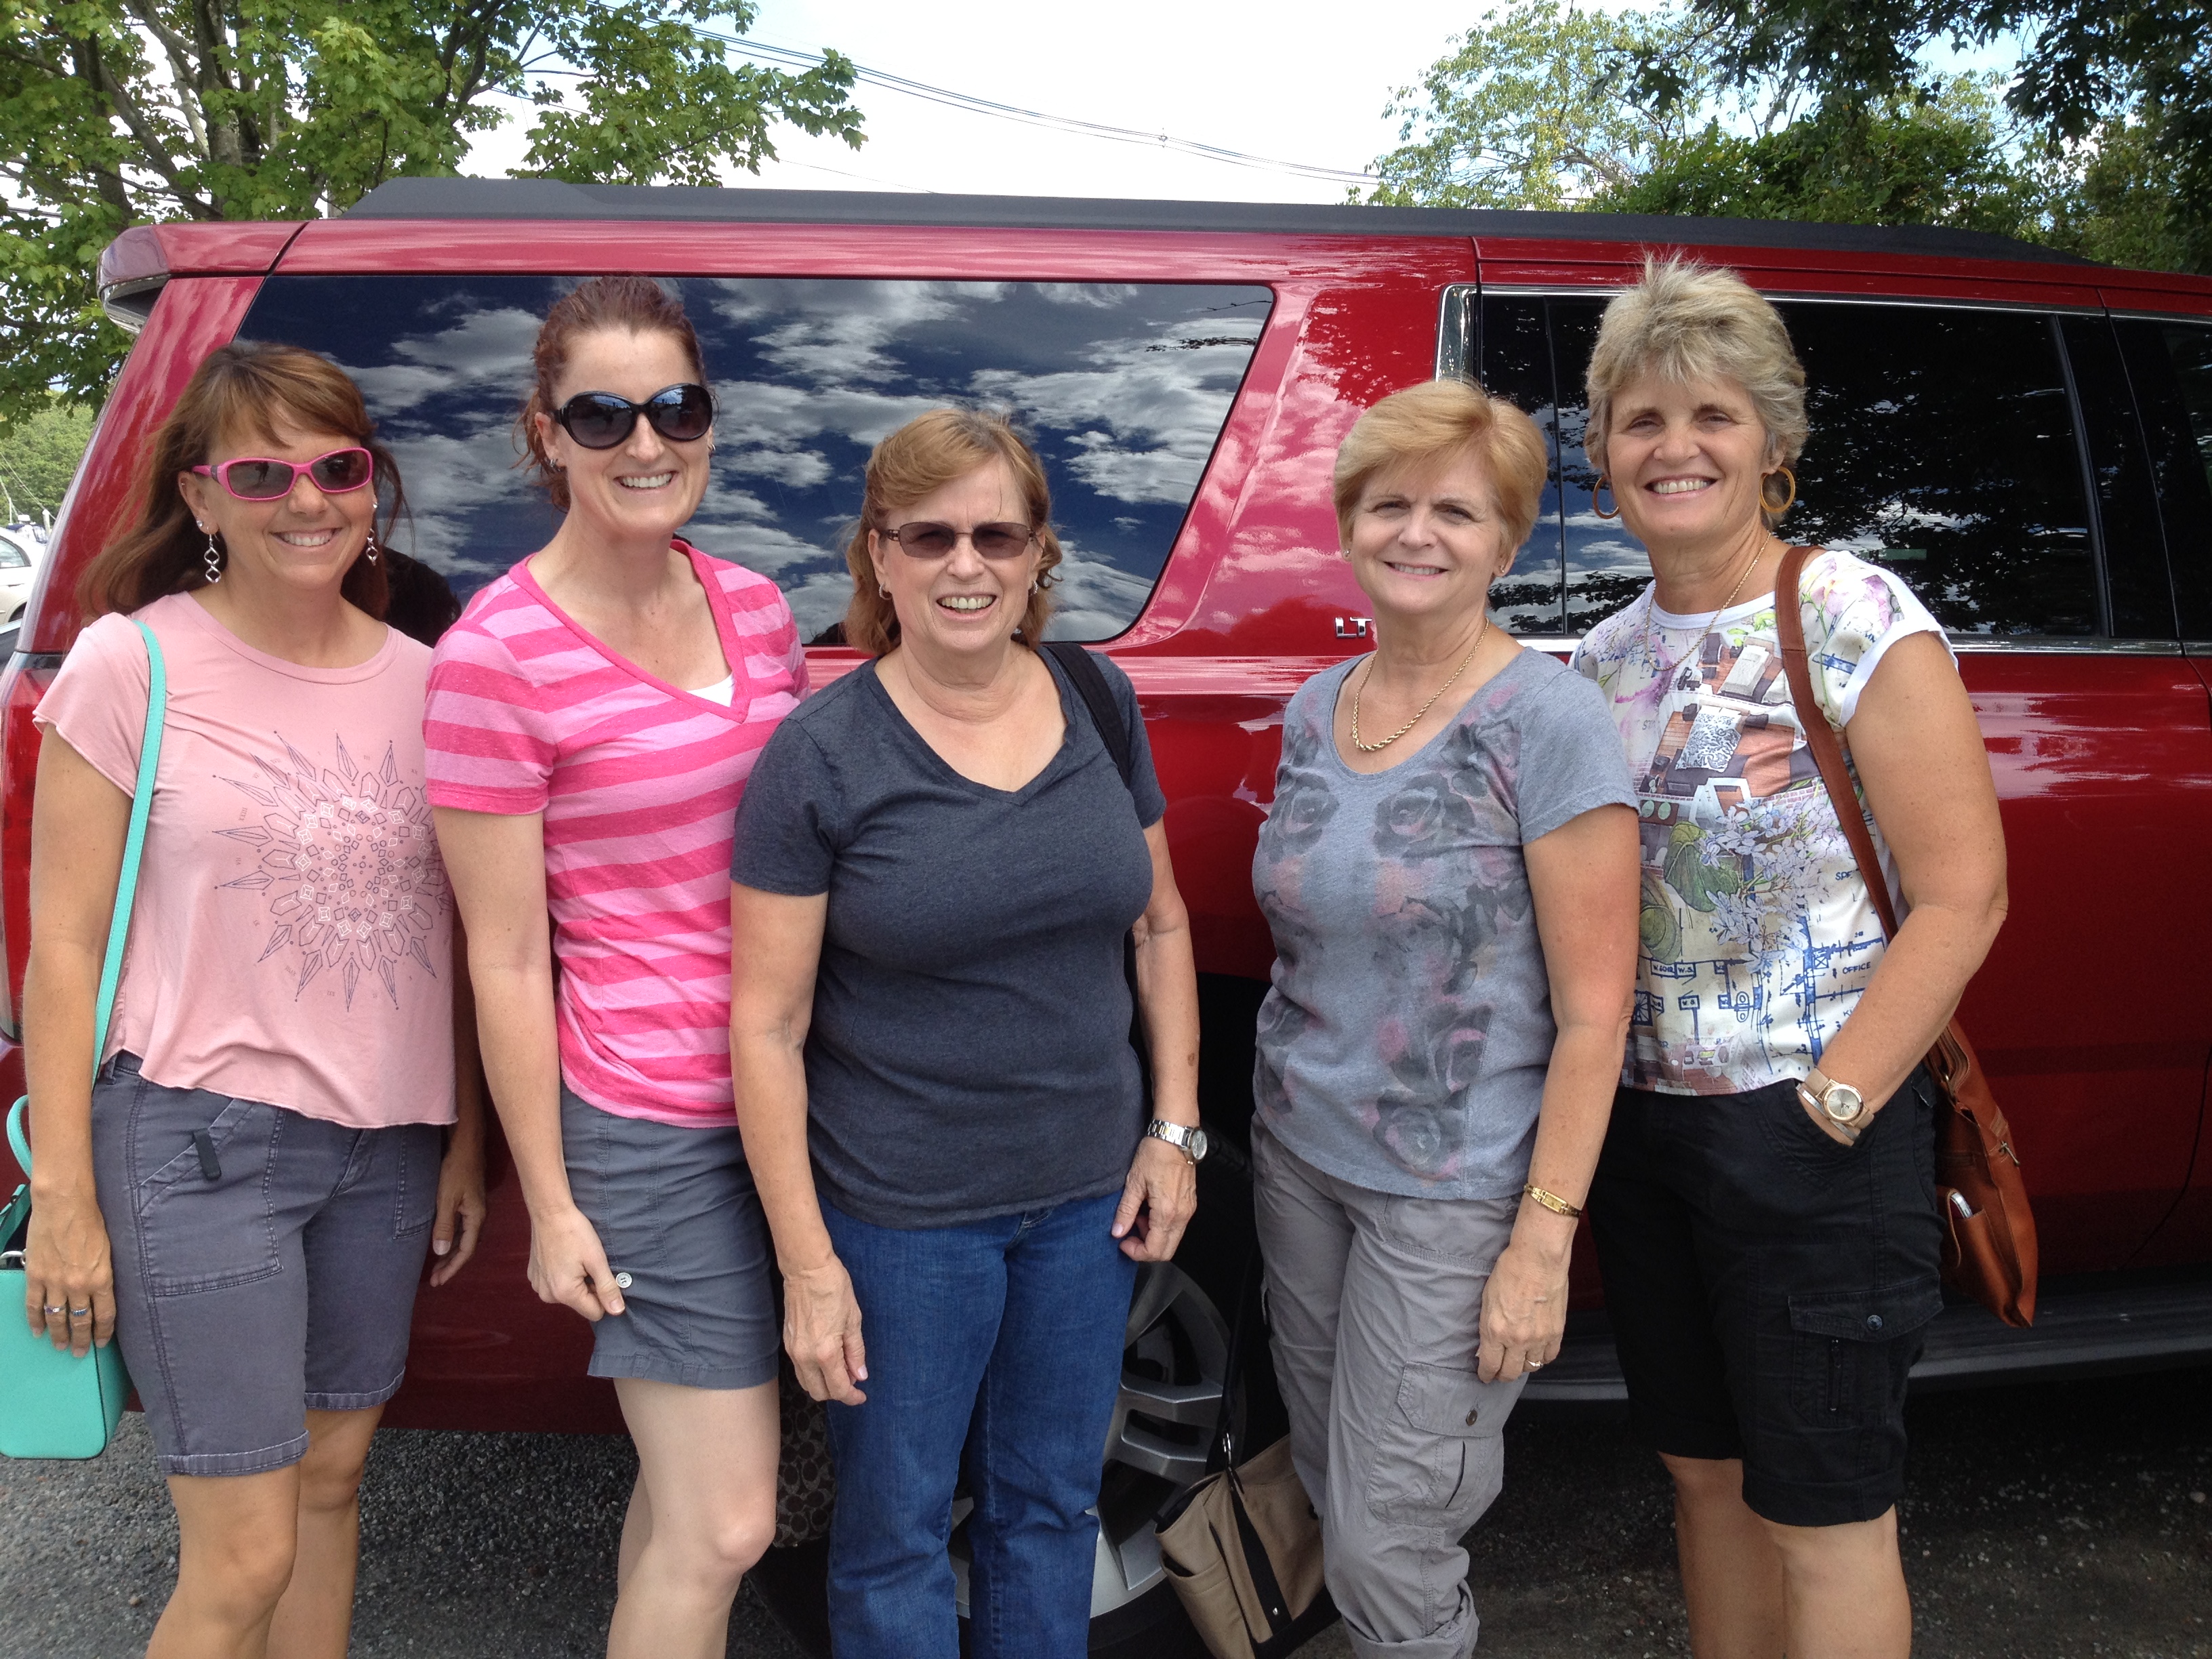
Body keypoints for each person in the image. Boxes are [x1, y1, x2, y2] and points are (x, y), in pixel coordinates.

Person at [1568, 258, 2009, 1659]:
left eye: (1713, 415)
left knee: (1826, 1513)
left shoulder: (1851, 615)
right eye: (1642, 420)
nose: (1676, 447)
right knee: (1704, 1480)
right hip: (1649, 1137)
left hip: (1817, 1130)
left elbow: (1965, 896)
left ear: (1773, 443)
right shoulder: (1599, 662)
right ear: (1605, 455)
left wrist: (1834, 1103)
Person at [21, 341, 486, 1658]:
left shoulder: (427, 679)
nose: (307, 499)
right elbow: (64, 949)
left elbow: (458, 933)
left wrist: (463, 1138)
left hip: (386, 1149)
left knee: (331, 1488)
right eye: (262, 473)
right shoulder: (131, 665)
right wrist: (64, 1199)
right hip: (198, 1140)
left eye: (336, 467)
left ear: (371, 485)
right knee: (242, 1557)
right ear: (201, 496)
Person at [728, 407, 1202, 1659]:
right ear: (877, 559)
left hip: (1089, 1207)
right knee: (893, 1535)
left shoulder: (1098, 698)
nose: (965, 564)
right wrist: (809, 1267)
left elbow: (1159, 924)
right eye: (928, 536)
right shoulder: (821, 757)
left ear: (1040, 552)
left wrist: (1176, 1130)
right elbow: (766, 1029)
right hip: (902, 1225)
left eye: (997, 534)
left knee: (1051, 1509)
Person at [424, 276, 805, 1658]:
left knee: (680, 1498)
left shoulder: (757, 608)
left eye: (675, 408)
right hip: (646, 1122)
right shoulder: (495, 658)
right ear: (547, 434)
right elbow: (505, 955)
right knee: (729, 1524)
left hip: (790, 1099)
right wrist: (552, 1201)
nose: (646, 444)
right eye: (602, 416)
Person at [1248, 379, 1639, 1658]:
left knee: (1391, 1537)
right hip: (1300, 1158)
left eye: (1457, 513)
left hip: (1449, 1193)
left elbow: (1595, 1014)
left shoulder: (1551, 722)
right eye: (1389, 505)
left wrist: (1541, 1245)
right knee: (1327, 1480)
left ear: (1506, 543)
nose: (1417, 533)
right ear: (1348, 524)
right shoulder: (1319, 708)